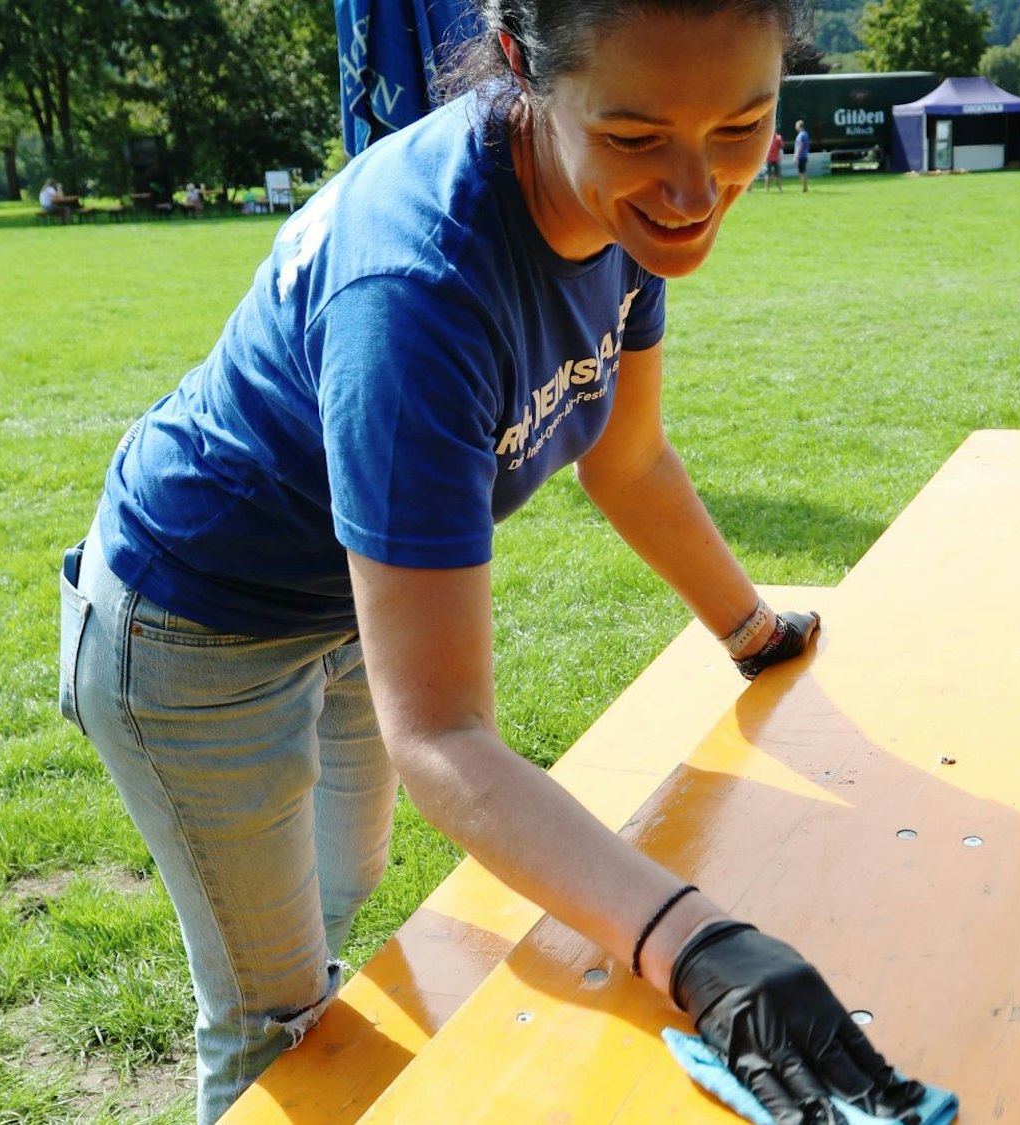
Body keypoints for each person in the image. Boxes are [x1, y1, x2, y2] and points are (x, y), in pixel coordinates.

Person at [55, 0, 928, 1120]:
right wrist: (696, 947)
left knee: (341, 883)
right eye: (634, 136)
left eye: (741, 126)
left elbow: (630, 462)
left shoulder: (623, 216)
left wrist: (747, 628)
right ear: (522, 66)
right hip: (192, 633)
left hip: (344, 611)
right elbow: (442, 736)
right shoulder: (416, 296)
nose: (693, 190)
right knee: (273, 1024)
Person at [794, 118, 810, 192]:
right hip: (804, 155)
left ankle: (804, 188)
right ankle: (805, 187)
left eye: (796, 125)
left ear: (799, 126)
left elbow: (801, 146)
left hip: (801, 156)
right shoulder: (805, 134)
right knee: (803, 172)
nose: (795, 127)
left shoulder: (801, 135)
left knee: (801, 173)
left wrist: (797, 156)